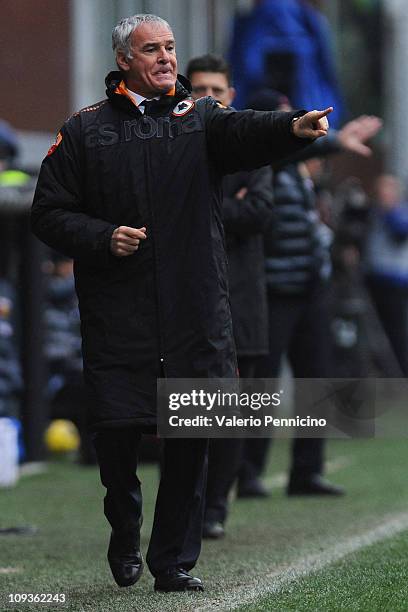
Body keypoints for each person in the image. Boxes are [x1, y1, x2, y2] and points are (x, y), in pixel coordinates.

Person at [31, 14, 332, 592]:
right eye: (152, 49)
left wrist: (292, 127)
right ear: (125, 60)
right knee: (117, 433)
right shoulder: (85, 132)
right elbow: (47, 212)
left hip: (195, 310)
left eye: (171, 47)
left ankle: (173, 561)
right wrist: (102, 237)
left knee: (192, 433)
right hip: (119, 314)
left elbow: (246, 130)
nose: (167, 58)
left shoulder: (199, 118)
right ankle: (124, 526)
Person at [237, 90, 381, 498]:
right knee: (259, 386)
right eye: (285, 117)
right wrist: (333, 141)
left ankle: (307, 471)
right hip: (273, 290)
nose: (293, 123)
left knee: (316, 378)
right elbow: (288, 152)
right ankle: (246, 472)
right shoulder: (260, 159)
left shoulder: (296, 171)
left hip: (310, 288)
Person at [186, 53, 274, 539]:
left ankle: (216, 505)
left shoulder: (251, 150)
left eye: (216, 90)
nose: (209, 98)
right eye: (200, 90)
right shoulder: (174, 146)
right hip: (190, 302)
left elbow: (260, 212)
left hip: (241, 300)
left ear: (231, 96)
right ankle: (189, 506)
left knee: (231, 412)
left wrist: (203, 209)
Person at [364, 174, 408, 376]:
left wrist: (388, 209)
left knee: (395, 331)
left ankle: (399, 374)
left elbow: (400, 231)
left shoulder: (399, 213)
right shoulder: (373, 213)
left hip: (394, 282)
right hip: (372, 278)